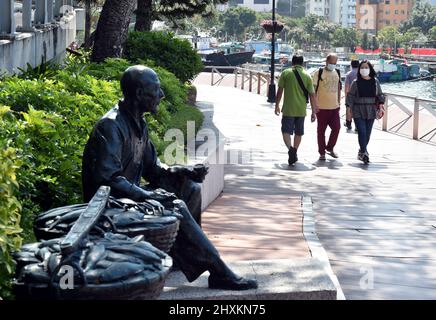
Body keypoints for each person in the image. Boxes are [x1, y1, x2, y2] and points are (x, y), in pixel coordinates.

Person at [82, 65, 258, 291]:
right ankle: (217, 270)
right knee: (175, 206)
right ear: (139, 94)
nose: (161, 95)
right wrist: (147, 194)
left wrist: (183, 171)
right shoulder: (111, 126)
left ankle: (179, 256)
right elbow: (108, 179)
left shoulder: (138, 123)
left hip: (127, 197)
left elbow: (153, 168)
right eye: (156, 89)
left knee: (190, 188)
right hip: (108, 206)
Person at [275, 55, 318, 165]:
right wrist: (313, 111)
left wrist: (277, 105)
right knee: (298, 132)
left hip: (288, 108)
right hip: (301, 110)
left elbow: (280, 91)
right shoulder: (307, 75)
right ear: (302, 63)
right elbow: (312, 95)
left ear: (292, 62)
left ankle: (291, 150)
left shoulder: (286, 73)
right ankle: (295, 151)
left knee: (285, 131)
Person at [346, 60, 385, 164]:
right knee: (362, 132)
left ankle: (361, 151)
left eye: (366, 67)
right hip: (358, 109)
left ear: (370, 69)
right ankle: (364, 152)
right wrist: (349, 110)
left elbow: (380, 94)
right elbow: (350, 96)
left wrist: (381, 105)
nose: (364, 69)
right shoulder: (356, 82)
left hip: (371, 110)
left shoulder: (375, 81)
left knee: (367, 134)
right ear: (359, 70)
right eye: (362, 67)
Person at [312, 53, 342, 161]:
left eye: (335, 63)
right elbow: (313, 90)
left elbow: (339, 88)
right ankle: (322, 152)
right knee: (321, 131)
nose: (333, 65)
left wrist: (339, 102)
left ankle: (330, 148)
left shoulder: (337, 72)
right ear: (326, 61)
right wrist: (314, 105)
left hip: (334, 108)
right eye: (331, 62)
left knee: (337, 128)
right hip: (322, 108)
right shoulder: (318, 73)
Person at [344, 60, 360, 131]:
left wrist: (346, 95)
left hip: (350, 95)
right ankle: (357, 126)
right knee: (358, 110)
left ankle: (349, 124)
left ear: (351, 65)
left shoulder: (349, 74)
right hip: (360, 95)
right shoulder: (360, 74)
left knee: (348, 109)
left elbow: (346, 86)